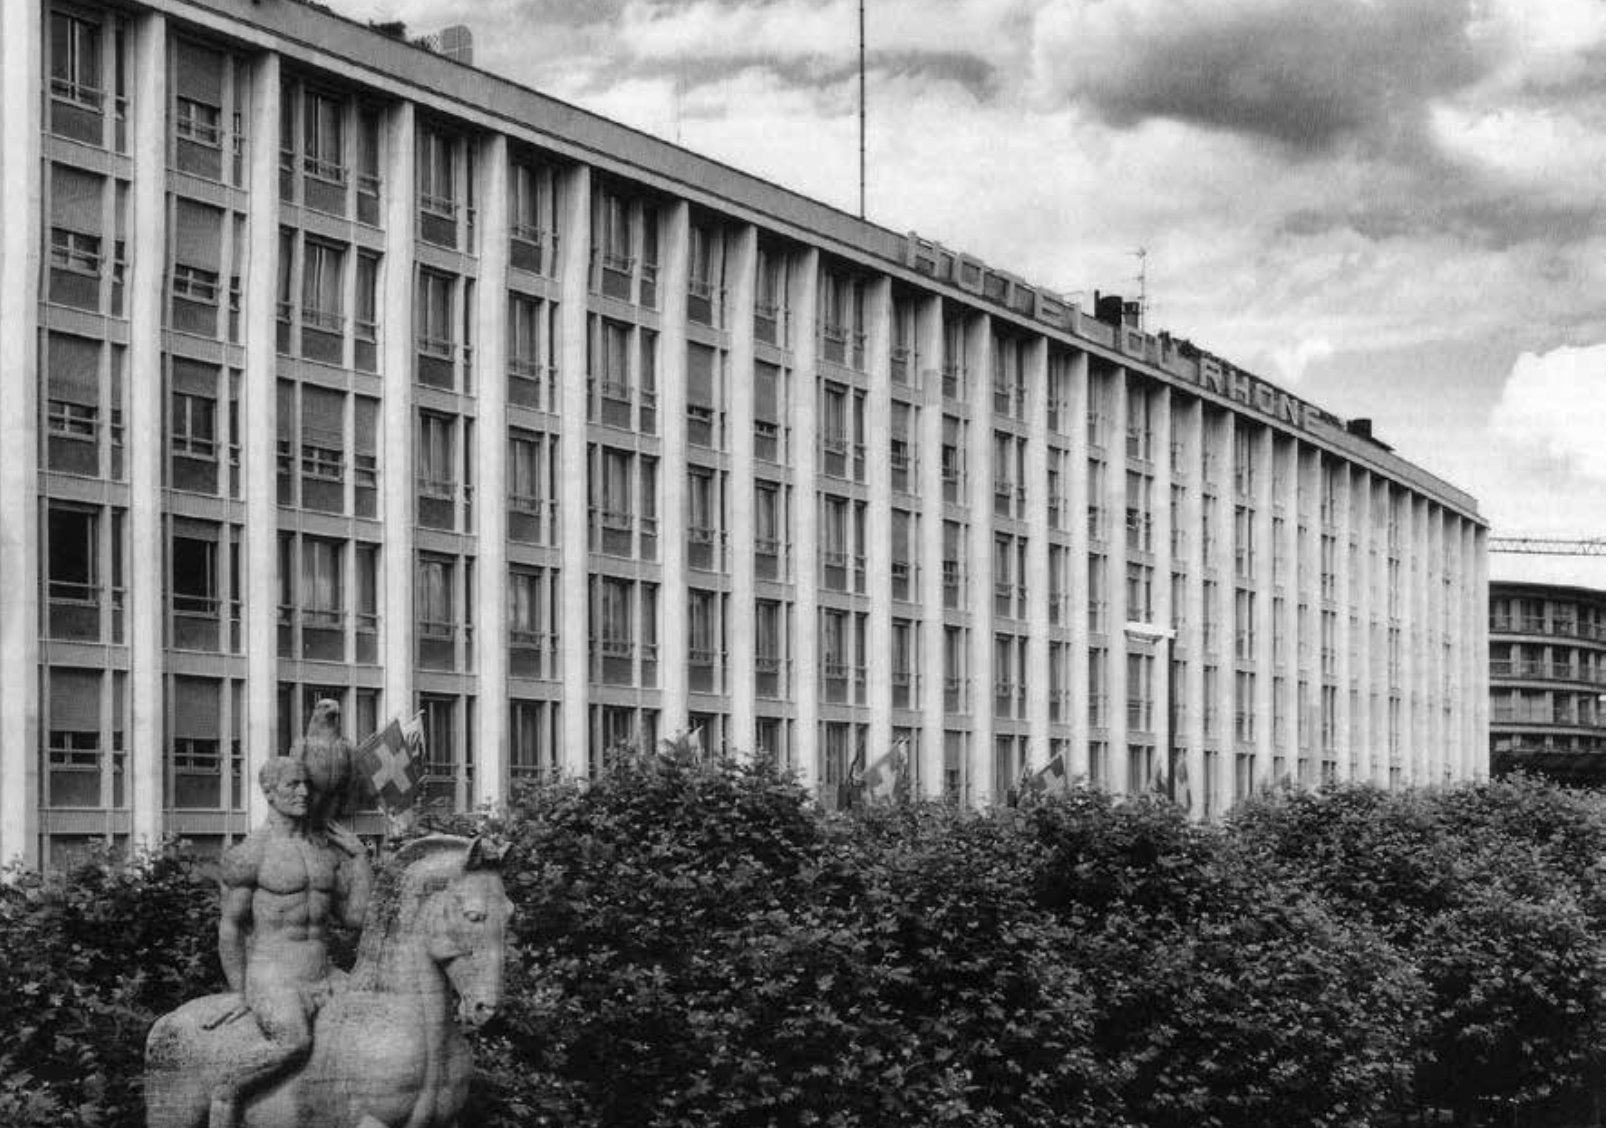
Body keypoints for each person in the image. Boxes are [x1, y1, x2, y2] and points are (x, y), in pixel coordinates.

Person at [208, 755, 373, 1128]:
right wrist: (240, 991)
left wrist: (361, 858)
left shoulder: (324, 850)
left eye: (306, 785)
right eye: (292, 785)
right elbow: (230, 928)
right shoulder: (251, 853)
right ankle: (225, 1092)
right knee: (293, 1041)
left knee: (375, 1019)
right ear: (269, 792)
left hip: (324, 974)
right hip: (274, 977)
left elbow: (354, 918)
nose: (303, 792)